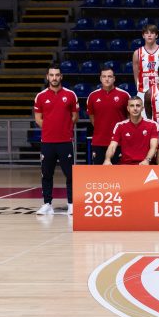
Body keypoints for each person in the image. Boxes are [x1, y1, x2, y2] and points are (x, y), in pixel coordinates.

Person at [34, 64, 78, 215]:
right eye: (51, 75)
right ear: (47, 77)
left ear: (61, 77)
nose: (54, 78)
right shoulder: (40, 96)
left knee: (70, 174)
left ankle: (71, 204)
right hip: (47, 142)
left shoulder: (71, 95)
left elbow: (74, 117)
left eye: (57, 75)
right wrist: (50, 128)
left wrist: (64, 128)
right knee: (46, 174)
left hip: (65, 141)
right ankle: (47, 204)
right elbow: (38, 118)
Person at [86, 67, 129, 164]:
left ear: (114, 78)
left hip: (119, 142)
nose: (107, 79)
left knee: (119, 172)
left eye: (109, 76)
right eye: (104, 76)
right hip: (99, 142)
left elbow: (129, 117)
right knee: (99, 172)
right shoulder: (92, 96)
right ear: (100, 78)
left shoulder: (124, 95)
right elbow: (92, 118)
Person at [104, 96, 159, 166]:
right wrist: (107, 159)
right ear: (128, 108)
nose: (135, 108)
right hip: (125, 165)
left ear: (142, 108)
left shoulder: (152, 125)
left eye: (138, 105)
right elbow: (112, 146)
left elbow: (153, 147)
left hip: (146, 164)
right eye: (132, 106)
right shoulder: (120, 126)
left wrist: (147, 160)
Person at [132, 24, 159, 107]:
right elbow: (136, 75)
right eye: (146, 33)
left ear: (156, 35)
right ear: (143, 35)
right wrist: (140, 89)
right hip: (143, 92)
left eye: (152, 33)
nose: (149, 35)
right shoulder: (137, 53)